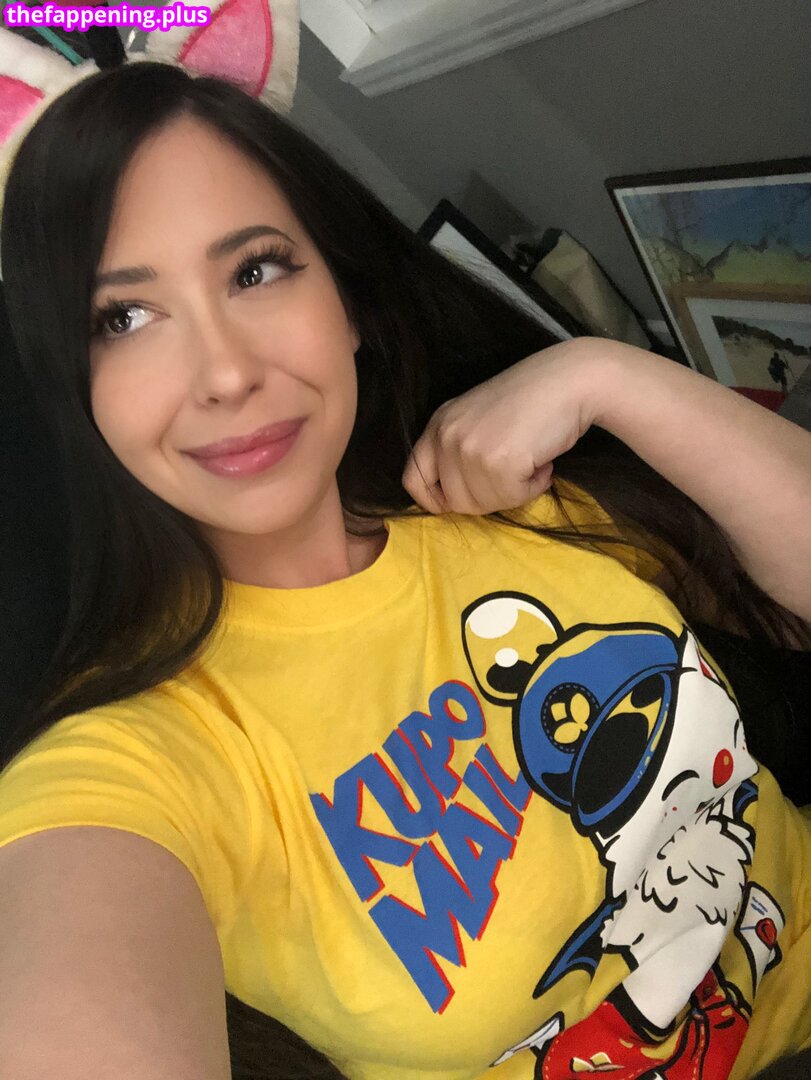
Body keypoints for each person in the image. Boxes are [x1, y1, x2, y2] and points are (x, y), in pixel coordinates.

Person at [0, 60, 809, 1080]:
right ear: (76, 388)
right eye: (121, 318)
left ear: (344, 298)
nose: (226, 373)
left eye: (255, 271)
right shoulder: (137, 759)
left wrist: (607, 375)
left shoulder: (517, 501)